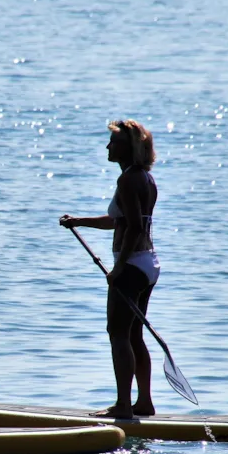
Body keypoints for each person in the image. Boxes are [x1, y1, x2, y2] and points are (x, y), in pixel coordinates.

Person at [60, 119, 160, 417]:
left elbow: (132, 227)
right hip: (148, 265)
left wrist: (119, 268)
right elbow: (119, 221)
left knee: (117, 333)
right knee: (134, 336)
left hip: (131, 266)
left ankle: (123, 406)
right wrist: (79, 221)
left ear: (127, 148)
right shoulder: (144, 178)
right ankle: (144, 402)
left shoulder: (128, 180)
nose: (107, 146)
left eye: (113, 142)